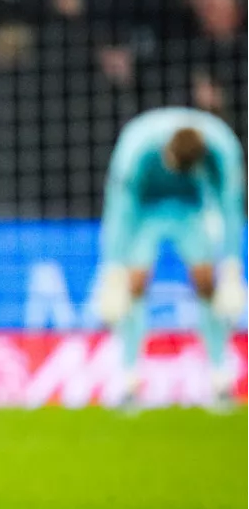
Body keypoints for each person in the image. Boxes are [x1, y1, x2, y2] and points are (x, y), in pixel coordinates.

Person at [96, 107, 245, 410]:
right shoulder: (137, 146)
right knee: (134, 285)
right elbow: (120, 208)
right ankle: (128, 379)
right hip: (145, 211)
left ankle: (220, 378)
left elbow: (230, 207)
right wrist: (112, 266)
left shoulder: (223, 149)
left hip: (191, 209)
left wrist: (232, 265)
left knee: (207, 284)